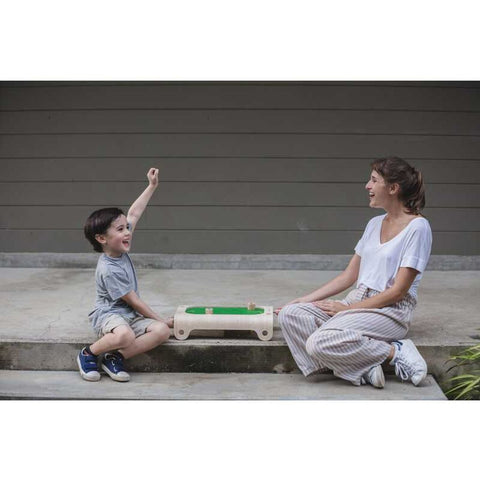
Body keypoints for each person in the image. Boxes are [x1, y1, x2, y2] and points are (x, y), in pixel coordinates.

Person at [276, 156, 432, 388]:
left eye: (373, 180)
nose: (367, 186)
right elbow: (349, 276)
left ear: (392, 188)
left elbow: (398, 291)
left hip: (390, 310)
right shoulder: (374, 224)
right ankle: (359, 366)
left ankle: (395, 351)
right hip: (358, 300)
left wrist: (348, 309)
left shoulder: (418, 228)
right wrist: (303, 300)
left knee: (318, 342)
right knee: (290, 315)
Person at [78, 168, 172, 382]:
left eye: (127, 228)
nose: (128, 232)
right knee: (125, 335)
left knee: (161, 332)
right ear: (102, 239)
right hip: (109, 314)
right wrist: (163, 320)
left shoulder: (119, 246)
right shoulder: (109, 269)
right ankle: (88, 354)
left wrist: (152, 186)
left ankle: (114, 357)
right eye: (120, 230)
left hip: (127, 315)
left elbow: (134, 213)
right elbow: (135, 301)